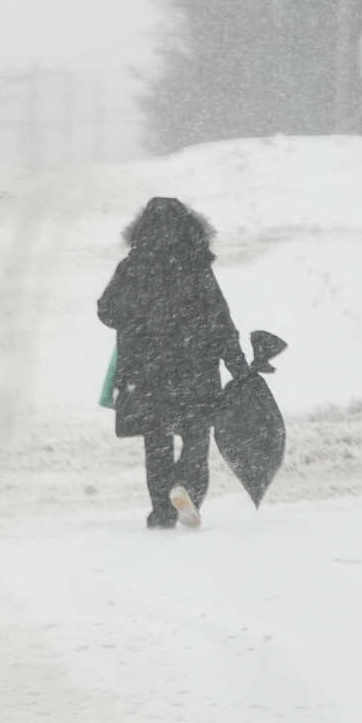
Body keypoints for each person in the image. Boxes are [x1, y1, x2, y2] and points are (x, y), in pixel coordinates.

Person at [97, 197, 249, 529]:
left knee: (157, 442)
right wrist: (238, 365)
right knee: (196, 436)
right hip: (195, 367)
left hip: (146, 370)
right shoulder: (196, 266)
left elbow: (107, 310)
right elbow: (220, 319)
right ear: (189, 226)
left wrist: (138, 318)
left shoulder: (133, 266)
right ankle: (187, 488)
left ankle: (161, 510)